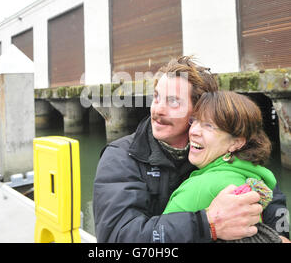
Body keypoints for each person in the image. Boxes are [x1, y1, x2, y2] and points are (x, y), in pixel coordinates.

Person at [93, 56, 289, 243]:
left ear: (200, 110)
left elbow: (273, 199)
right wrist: (207, 224)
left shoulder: (215, 152)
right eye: (156, 97)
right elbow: (116, 237)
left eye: (173, 101)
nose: (157, 109)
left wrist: (278, 235)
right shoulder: (120, 157)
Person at [163, 91, 290, 243]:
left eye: (208, 125)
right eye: (194, 120)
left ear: (236, 143)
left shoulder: (200, 187)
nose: (194, 131)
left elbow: (158, 240)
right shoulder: (259, 177)